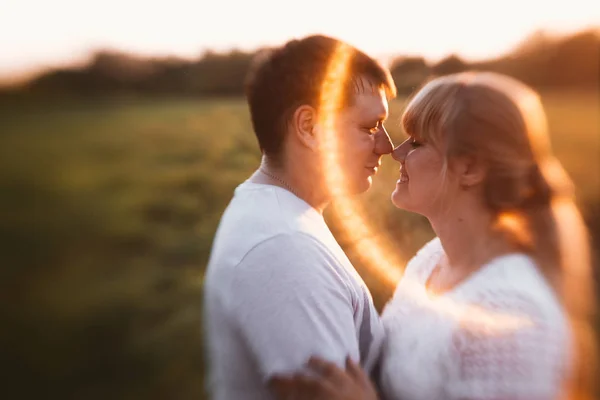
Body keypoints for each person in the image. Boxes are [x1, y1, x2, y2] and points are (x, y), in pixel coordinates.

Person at [272, 71, 597, 399]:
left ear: (469, 168)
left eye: (417, 142)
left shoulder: (511, 317)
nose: (395, 152)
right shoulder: (430, 261)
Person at [203, 34, 398, 399]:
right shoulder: (284, 251)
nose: (387, 146)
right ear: (309, 128)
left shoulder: (279, 216)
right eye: (369, 127)